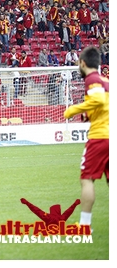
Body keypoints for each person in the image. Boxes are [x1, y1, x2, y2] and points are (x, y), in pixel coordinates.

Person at [63, 46, 109, 232]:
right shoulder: (106, 81)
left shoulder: (92, 78)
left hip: (100, 138)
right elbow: (103, 105)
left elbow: (98, 100)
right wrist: (88, 114)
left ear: (82, 63)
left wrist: (74, 110)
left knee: (87, 179)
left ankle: (84, 226)